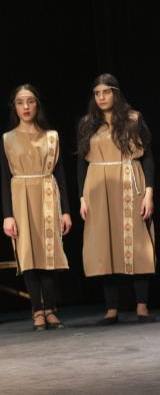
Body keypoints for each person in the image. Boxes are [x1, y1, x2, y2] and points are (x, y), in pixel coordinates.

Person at [77, 73, 155, 325]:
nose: (101, 97)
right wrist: (82, 197)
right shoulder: (87, 123)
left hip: (130, 183)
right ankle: (111, 308)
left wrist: (149, 193)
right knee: (104, 244)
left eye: (106, 92)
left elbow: (148, 157)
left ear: (115, 94)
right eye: (97, 93)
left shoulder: (133, 119)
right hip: (98, 187)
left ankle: (142, 306)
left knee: (138, 241)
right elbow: (81, 163)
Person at [0, 85, 71, 330]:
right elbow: (4, 179)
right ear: (14, 107)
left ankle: (50, 308)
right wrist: (7, 215)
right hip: (21, 197)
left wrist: (65, 211)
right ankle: (36, 310)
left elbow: (60, 174)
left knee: (47, 253)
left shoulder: (51, 137)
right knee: (28, 254)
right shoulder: (8, 139)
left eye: (30, 101)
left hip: (47, 195)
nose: (26, 107)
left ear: (37, 104)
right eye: (20, 102)